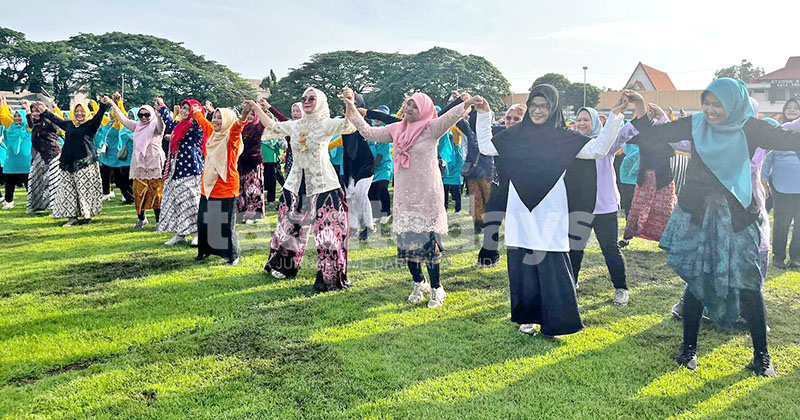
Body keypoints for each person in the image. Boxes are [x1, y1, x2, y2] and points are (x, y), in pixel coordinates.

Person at [630, 78, 800, 377]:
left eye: (717, 104)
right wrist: (642, 110)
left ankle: (762, 356)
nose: (709, 110)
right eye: (706, 103)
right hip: (698, 213)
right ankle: (688, 350)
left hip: (739, 216)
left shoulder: (751, 127)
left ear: (733, 103)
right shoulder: (696, 124)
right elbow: (655, 136)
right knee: (697, 279)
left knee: (749, 283)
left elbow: (788, 140)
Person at [475, 84, 626, 336]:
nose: (537, 110)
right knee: (523, 260)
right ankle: (527, 317)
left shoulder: (563, 138)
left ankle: (555, 322)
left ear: (553, 107)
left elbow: (598, 149)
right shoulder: (515, 136)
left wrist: (615, 116)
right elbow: (486, 147)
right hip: (519, 208)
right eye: (533, 105)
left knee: (552, 261)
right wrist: (484, 113)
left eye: (543, 106)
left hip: (551, 208)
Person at [345, 90, 482, 308]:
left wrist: (468, 103)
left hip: (427, 195)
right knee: (406, 245)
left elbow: (451, 116)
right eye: (407, 105)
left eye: (414, 106)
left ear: (424, 110)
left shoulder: (431, 128)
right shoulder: (396, 129)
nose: (408, 109)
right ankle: (419, 283)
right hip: (404, 196)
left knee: (428, 245)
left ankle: (437, 288)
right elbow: (368, 131)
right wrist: (351, 107)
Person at [248, 87, 355, 292]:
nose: (306, 101)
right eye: (304, 98)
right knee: (290, 229)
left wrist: (349, 103)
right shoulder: (295, 125)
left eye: (311, 98)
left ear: (321, 102)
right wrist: (255, 107)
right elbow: (272, 125)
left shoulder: (325, 124)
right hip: (296, 185)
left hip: (324, 186)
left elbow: (347, 124)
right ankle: (284, 267)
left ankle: (330, 275)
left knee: (328, 233)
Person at [568, 105, 632, 305]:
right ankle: (571, 283)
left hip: (605, 206)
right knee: (574, 247)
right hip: (579, 205)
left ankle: (621, 288)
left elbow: (623, 134)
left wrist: (622, 113)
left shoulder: (605, 144)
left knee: (610, 248)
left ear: (596, 122)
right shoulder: (571, 144)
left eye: (586, 120)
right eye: (579, 120)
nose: (581, 123)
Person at [40, 100, 108, 226]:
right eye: (76, 111)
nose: (79, 113)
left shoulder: (90, 125)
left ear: (86, 112)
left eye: (82, 111)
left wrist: (103, 105)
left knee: (84, 191)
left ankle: (86, 215)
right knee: (68, 191)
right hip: (67, 162)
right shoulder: (70, 125)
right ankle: (72, 218)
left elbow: (99, 116)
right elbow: (58, 120)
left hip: (85, 163)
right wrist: (46, 112)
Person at [477, 103, 527, 266]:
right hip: (499, 185)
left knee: (519, 225)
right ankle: (488, 257)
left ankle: (524, 258)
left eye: (516, 118)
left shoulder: (529, 139)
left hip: (521, 188)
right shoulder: (500, 133)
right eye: (508, 118)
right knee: (491, 220)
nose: (511, 121)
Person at [104, 97, 165, 228]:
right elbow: (122, 118)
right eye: (141, 115)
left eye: (147, 115)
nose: (143, 118)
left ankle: (159, 221)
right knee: (138, 191)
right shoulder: (137, 126)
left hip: (154, 163)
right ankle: (141, 219)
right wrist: (112, 104)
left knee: (156, 193)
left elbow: (160, 128)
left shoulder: (156, 125)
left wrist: (159, 114)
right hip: (139, 164)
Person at [156, 98, 209, 246]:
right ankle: (181, 233)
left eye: (188, 109)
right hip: (176, 168)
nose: (184, 111)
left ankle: (198, 233)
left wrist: (199, 114)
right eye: (183, 108)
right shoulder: (179, 125)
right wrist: (161, 106)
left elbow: (201, 125)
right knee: (178, 201)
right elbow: (168, 120)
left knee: (193, 201)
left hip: (192, 169)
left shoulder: (195, 125)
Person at [195, 107, 245, 265]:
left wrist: (242, 119)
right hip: (209, 187)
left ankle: (232, 255)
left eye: (219, 118)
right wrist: (197, 111)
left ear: (228, 121)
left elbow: (236, 129)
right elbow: (204, 123)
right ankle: (204, 251)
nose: (215, 121)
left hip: (226, 188)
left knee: (226, 225)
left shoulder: (230, 138)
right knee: (204, 223)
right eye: (214, 117)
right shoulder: (212, 134)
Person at [762, 97, 800, 269]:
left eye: (796, 108)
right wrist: (763, 180)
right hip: (781, 186)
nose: (792, 110)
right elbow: (767, 159)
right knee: (781, 222)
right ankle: (778, 257)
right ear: (784, 111)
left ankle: (796, 258)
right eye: (789, 107)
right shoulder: (776, 132)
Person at [24, 101, 63, 213]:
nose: (35, 113)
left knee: (54, 180)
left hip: (53, 153)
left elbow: (57, 126)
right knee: (34, 178)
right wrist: (27, 109)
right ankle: (37, 205)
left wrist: (47, 111)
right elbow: (31, 123)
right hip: (39, 155)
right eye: (33, 111)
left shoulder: (50, 121)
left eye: (37, 111)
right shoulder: (35, 123)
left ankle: (56, 206)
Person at [99, 93, 134, 204]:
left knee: (120, 178)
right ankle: (106, 193)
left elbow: (122, 114)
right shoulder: (109, 122)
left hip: (118, 155)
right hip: (107, 154)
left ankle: (128, 196)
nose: (113, 113)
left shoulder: (120, 123)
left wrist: (117, 102)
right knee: (105, 175)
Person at [367, 105, 398, 225]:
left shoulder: (386, 131)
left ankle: (386, 212)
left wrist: (374, 164)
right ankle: (376, 213)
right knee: (372, 190)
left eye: (379, 116)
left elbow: (382, 153)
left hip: (384, 166)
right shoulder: (369, 131)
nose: (376, 119)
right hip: (372, 167)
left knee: (382, 188)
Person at [0, 103, 32, 210]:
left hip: (25, 160)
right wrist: (3, 105)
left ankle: (32, 202)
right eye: (15, 116)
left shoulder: (28, 128)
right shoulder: (10, 128)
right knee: (9, 181)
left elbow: (31, 121)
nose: (17, 118)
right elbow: (4, 117)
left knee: (28, 181)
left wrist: (27, 109)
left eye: (19, 116)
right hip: (12, 160)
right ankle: (9, 201)